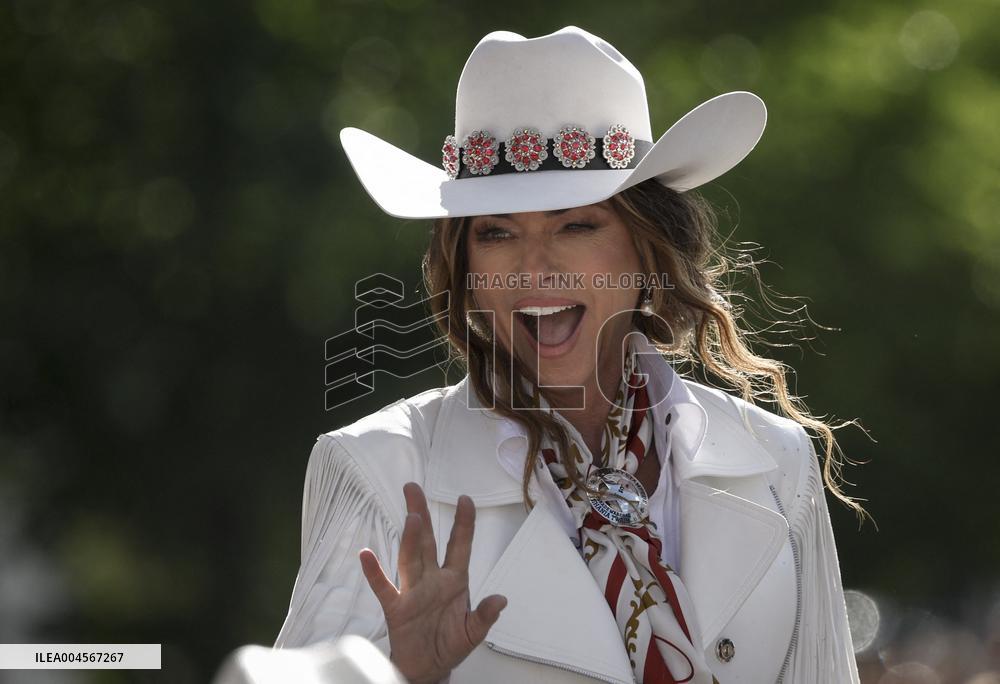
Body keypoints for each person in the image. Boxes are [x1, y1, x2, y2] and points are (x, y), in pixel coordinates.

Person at [275, 25, 866, 683]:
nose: (533, 269)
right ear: (464, 264)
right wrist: (402, 675)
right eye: (496, 233)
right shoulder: (379, 469)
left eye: (575, 225)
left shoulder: (777, 461)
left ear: (648, 249)